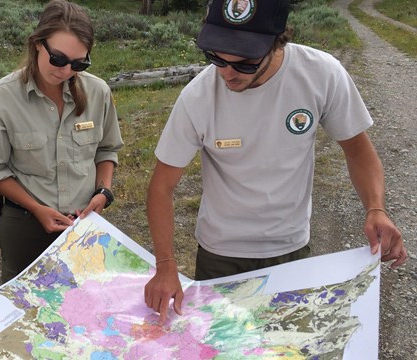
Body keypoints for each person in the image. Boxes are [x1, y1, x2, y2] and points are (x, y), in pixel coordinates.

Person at [143, 0, 408, 324]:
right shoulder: (198, 97)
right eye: (214, 56)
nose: (226, 72)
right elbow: (161, 186)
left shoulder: (321, 74)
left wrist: (376, 208)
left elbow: (358, 150)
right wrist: (166, 265)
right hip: (220, 254)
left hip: (291, 249)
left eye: (245, 63)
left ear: (278, 41)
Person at [0, 0, 124, 283]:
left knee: (86, 305)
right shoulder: (1, 98)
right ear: (37, 44)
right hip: (26, 226)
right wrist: (36, 208)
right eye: (59, 59)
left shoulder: (98, 92)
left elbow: (106, 149)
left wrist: (103, 192)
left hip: (84, 225)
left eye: (79, 63)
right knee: (23, 309)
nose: (66, 71)